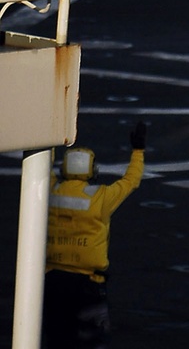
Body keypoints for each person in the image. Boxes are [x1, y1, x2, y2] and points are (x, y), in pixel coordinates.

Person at [43, 122, 146, 348]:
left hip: (53, 279)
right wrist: (138, 151)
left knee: (56, 338)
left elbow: (43, 166)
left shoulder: (50, 191)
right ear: (92, 170)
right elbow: (131, 181)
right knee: (92, 340)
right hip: (88, 283)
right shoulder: (101, 198)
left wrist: (47, 135)